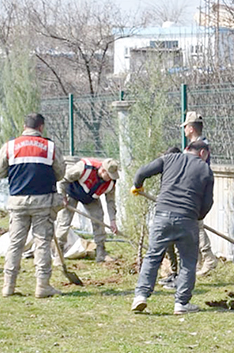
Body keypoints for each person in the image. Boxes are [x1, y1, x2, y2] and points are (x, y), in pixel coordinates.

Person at [130, 138, 214, 315]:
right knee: (188, 262)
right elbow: (208, 202)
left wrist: (137, 186)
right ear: (203, 153)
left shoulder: (169, 159)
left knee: (153, 256)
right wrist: (197, 216)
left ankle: (140, 296)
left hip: (162, 216)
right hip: (187, 219)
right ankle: (181, 303)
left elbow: (142, 172)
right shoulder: (205, 169)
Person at [0, 113, 66, 298]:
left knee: (15, 244)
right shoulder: (50, 147)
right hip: (43, 202)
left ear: (24, 126)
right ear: (41, 127)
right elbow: (60, 173)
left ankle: (8, 286)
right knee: (42, 243)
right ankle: (42, 286)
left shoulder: (10, 146)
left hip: (17, 202)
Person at [58, 156, 120, 262]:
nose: (111, 178)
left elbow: (110, 202)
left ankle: (101, 253)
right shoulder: (84, 168)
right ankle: (58, 254)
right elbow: (63, 180)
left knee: (98, 220)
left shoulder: (111, 183)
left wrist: (112, 220)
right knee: (64, 223)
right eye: (109, 175)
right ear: (103, 170)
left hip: (91, 198)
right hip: (71, 193)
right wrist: (62, 197)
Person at [181, 111, 218, 276]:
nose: (184, 130)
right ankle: (197, 262)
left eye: (185, 127)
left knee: (197, 224)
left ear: (191, 128)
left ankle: (208, 258)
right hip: (194, 188)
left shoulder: (199, 146)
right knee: (193, 226)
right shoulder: (197, 144)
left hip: (196, 189)